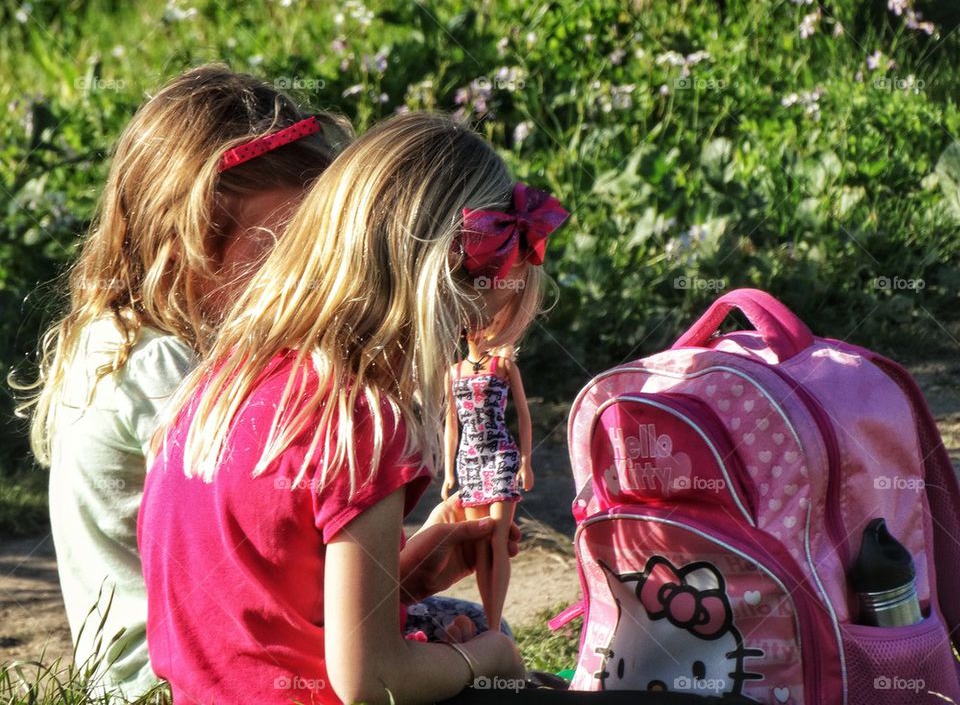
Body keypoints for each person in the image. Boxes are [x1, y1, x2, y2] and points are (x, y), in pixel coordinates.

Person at [139, 112, 568, 704]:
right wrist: (487, 658)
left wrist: (408, 575)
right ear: (430, 295)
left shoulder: (222, 384)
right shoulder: (359, 423)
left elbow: (267, 609)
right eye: (463, 327)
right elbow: (372, 679)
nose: (456, 354)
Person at [16, 63, 350, 697]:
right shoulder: (160, 368)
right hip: (176, 680)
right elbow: (274, 542)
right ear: (188, 239)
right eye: (272, 247)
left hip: (185, 659)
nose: (295, 271)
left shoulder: (125, 339)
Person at [442, 181, 569, 633]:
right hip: (469, 459)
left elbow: (523, 416)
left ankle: (493, 626)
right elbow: (451, 427)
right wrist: (448, 472)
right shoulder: (454, 372)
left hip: (498, 454)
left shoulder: (502, 365)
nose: (480, 327)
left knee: (497, 537)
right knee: (479, 543)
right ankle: (491, 624)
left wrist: (528, 461)